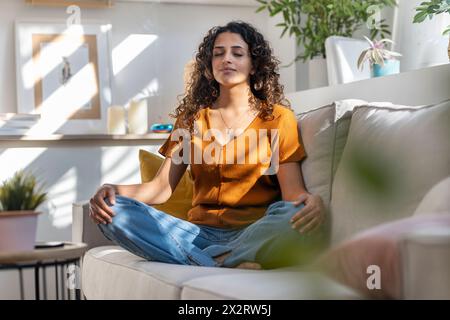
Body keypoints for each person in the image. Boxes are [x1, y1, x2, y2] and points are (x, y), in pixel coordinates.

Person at [89, 21, 326, 270]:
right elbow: (160, 189)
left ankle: (209, 260)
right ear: (209, 65)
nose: (227, 60)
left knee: (290, 217)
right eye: (218, 54)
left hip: (253, 231)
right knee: (113, 211)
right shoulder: (191, 121)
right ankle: (228, 260)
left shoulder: (278, 118)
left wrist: (310, 202)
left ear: (254, 64)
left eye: (237, 53)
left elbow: (292, 194)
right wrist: (113, 190)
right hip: (194, 235)